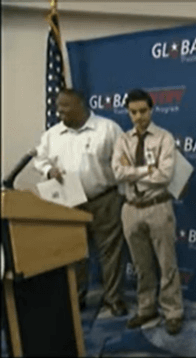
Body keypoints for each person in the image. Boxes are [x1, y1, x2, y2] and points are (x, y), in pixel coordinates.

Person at [33, 88, 128, 317]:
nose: (60, 110)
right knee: (74, 253)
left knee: (111, 253)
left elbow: (125, 162)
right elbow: (39, 159)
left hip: (104, 199)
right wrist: (48, 171)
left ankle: (113, 299)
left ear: (81, 105)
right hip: (69, 202)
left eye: (65, 106)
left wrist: (125, 195)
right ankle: (77, 299)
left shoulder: (108, 129)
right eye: (58, 106)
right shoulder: (52, 135)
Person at [111, 89, 184, 335]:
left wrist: (132, 171)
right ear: (128, 113)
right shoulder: (122, 139)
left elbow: (164, 175)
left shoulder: (164, 138)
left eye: (143, 111)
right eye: (133, 112)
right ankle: (146, 309)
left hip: (157, 207)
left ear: (151, 110)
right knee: (141, 266)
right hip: (130, 209)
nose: (138, 116)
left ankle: (173, 312)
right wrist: (146, 171)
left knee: (167, 264)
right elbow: (117, 173)